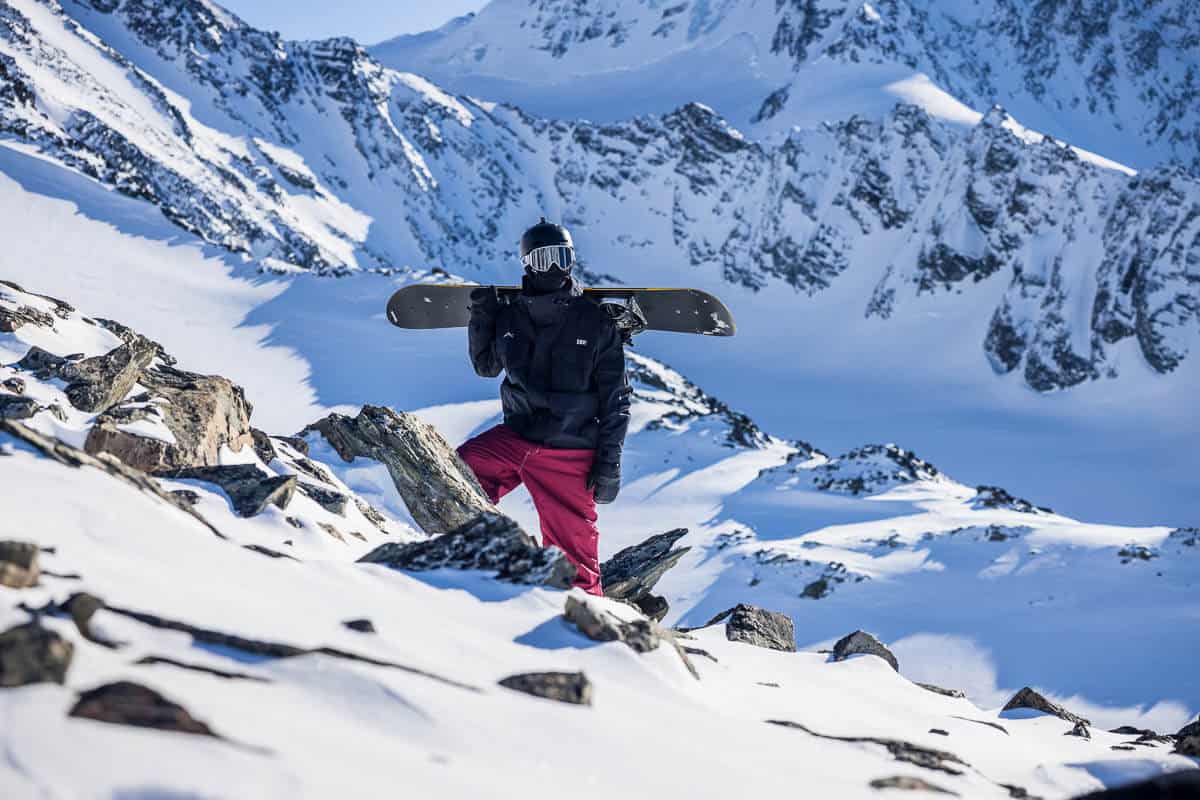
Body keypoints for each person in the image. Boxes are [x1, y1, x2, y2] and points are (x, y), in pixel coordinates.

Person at [456, 218, 631, 595]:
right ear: (527, 265)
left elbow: (616, 398)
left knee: (576, 569)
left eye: (561, 257)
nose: (553, 268)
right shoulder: (511, 317)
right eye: (543, 259)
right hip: (517, 436)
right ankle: (473, 566)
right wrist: (482, 316)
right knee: (455, 474)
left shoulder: (594, 321)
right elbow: (486, 367)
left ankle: (591, 634)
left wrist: (608, 464)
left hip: (569, 450)